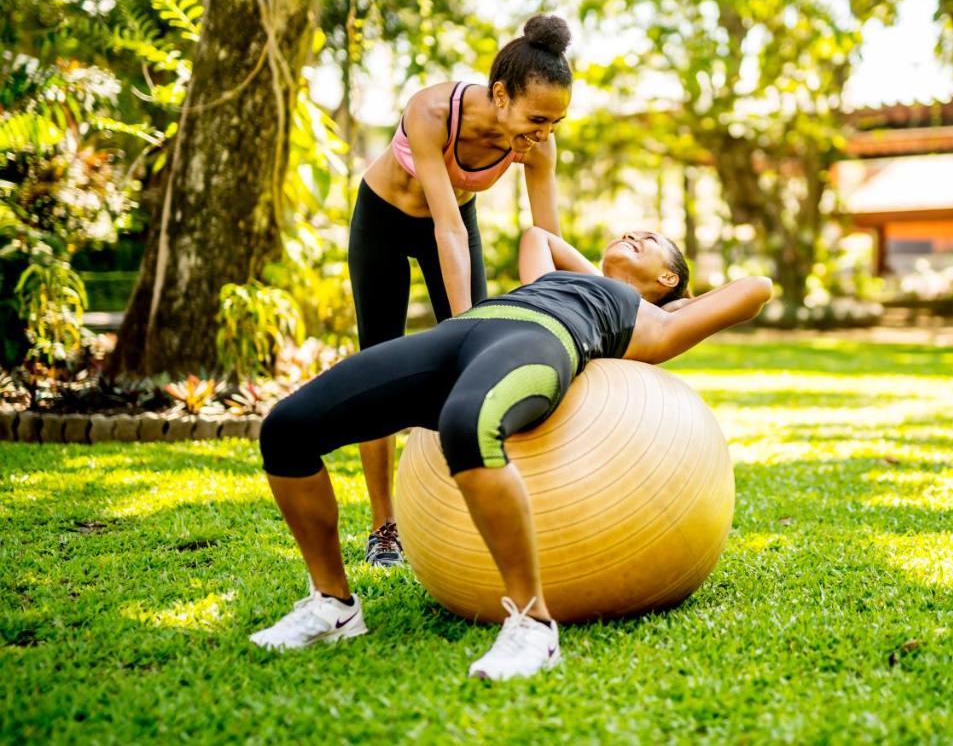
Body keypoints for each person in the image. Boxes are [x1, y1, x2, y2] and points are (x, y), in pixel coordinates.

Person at [250, 226, 773, 680]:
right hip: (460, 334)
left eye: (651, 241)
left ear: (668, 280)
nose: (634, 235)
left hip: (541, 341)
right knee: (287, 429)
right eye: (633, 233)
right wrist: (601, 275)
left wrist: (678, 303)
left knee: (466, 426)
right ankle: (333, 606)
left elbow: (757, 288)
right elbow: (538, 238)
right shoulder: (571, 280)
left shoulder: (657, 324)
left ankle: (532, 625)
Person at [349, 15, 572, 568]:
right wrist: (467, 326)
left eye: (557, 121)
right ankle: (383, 528)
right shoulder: (431, 111)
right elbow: (443, 227)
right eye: (538, 118)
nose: (545, 133)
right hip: (384, 218)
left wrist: (566, 316)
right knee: (377, 361)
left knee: (483, 366)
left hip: (453, 224)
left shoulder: (536, 146)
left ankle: (474, 511)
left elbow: (548, 239)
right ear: (500, 95)